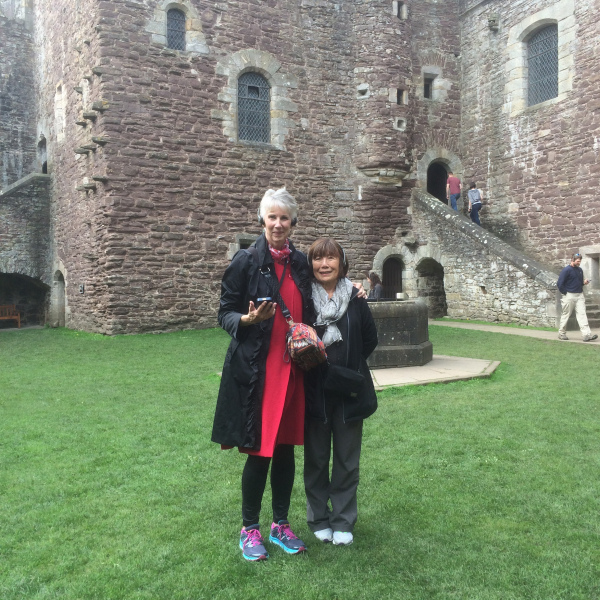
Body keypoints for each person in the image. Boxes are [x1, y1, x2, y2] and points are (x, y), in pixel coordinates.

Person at [211, 187, 311, 561]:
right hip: (259, 371)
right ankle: (249, 529)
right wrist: (247, 319)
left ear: (293, 222)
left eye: (284, 217)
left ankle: (280, 524)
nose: (278, 224)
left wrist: (355, 290)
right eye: (272, 217)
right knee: (260, 451)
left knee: (285, 449)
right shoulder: (246, 260)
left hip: (294, 370)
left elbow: (320, 294)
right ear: (262, 220)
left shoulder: (300, 263)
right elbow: (223, 311)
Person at [304, 238, 378, 547]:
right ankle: (319, 518)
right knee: (317, 459)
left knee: (347, 460)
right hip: (315, 390)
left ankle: (343, 519)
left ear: (341, 262)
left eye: (330, 258)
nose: (324, 264)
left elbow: (369, 340)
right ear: (311, 265)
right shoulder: (304, 299)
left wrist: (347, 364)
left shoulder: (357, 298)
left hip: (349, 391)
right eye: (318, 259)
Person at [557, 252, 598, 342]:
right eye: (578, 261)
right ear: (572, 260)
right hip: (569, 295)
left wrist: (584, 282)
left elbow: (579, 283)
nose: (579, 263)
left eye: (580, 261)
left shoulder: (580, 270)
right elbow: (560, 284)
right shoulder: (566, 270)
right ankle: (561, 333)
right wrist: (565, 293)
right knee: (566, 315)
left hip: (579, 295)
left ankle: (586, 335)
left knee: (582, 315)